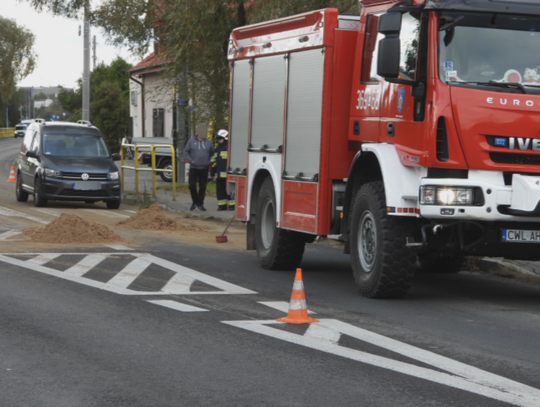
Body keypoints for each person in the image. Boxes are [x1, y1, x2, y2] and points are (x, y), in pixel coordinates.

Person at [184, 133, 214, 211]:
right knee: (192, 185)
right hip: (194, 167)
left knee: (203, 187)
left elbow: (212, 154)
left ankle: (200, 203)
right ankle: (195, 201)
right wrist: (191, 161)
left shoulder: (209, 142)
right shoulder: (191, 141)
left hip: (204, 168)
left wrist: (209, 162)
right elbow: (186, 152)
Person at [211, 129, 235, 211]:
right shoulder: (218, 149)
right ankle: (222, 205)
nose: (219, 140)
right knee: (220, 191)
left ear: (225, 138)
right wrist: (212, 171)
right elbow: (214, 161)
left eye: (220, 138)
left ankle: (232, 205)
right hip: (219, 174)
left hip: (228, 174)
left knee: (229, 190)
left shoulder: (230, 148)